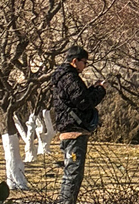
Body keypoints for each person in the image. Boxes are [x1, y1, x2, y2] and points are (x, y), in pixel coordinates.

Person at [52, 46, 107, 204]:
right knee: (73, 174)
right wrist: (100, 91)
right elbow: (84, 102)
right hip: (73, 131)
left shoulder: (64, 77)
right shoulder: (70, 77)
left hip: (70, 130)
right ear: (75, 61)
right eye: (84, 62)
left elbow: (78, 98)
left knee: (71, 172)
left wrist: (93, 89)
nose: (85, 66)